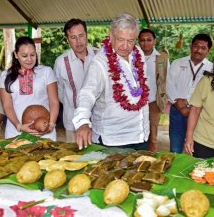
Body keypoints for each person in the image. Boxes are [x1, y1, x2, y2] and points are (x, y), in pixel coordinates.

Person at [73, 13, 150, 150]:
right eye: (120, 39)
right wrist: (82, 121)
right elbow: (87, 93)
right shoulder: (100, 63)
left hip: (141, 135)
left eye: (131, 41)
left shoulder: (139, 54)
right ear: (111, 35)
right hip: (114, 139)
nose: (125, 46)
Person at [0, 36, 59, 140]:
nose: (29, 59)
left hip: (44, 132)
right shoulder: (5, 75)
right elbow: (7, 105)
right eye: (24, 56)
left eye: (32, 55)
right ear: (16, 55)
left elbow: (54, 101)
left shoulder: (46, 72)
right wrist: (19, 126)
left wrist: (51, 124)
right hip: (16, 132)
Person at [166, 34, 213, 153]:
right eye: (196, 46)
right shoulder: (177, 63)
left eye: (203, 48)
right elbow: (169, 84)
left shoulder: (212, 68)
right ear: (191, 46)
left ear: (208, 51)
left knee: (198, 148)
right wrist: (181, 106)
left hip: (199, 112)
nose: (198, 50)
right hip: (177, 110)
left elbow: (210, 91)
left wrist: (190, 105)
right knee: (175, 148)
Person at [54, 18, 99, 143]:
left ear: (87, 34)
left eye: (81, 35)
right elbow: (59, 91)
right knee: (75, 159)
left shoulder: (100, 56)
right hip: (73, 121)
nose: (78, 41)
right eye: (73, 37)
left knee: (100, 158)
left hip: (100, 121)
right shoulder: (61, 62)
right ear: (67, 39)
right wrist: (73, 103)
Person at [138, 28, 169, 152]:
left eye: (149, 40)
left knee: (153, 135)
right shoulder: (132, 56)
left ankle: (151, 159)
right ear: (138, 41)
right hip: (135, 103)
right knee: (137, 133)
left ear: (154, 41)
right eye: (143, 40)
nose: (146, 43)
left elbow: (168, 78)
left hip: (153, 102)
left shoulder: (162, 57)